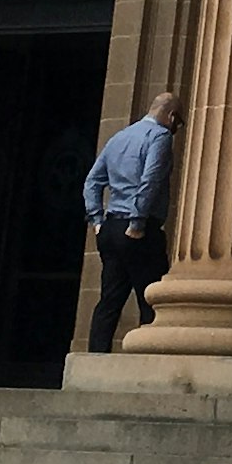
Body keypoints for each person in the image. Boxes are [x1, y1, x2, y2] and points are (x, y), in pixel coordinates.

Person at [81, 89, 182, 353]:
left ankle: (95, 359)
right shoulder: (159, 137)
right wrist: (137, 223)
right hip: (138, 228)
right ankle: (149, 359)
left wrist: (97, 219)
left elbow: (92, 181)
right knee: (152, 299)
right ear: (171, 116)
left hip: (111, 226)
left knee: (109, 300)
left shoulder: (119, 137)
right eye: (178, 123)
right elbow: (150, 181)